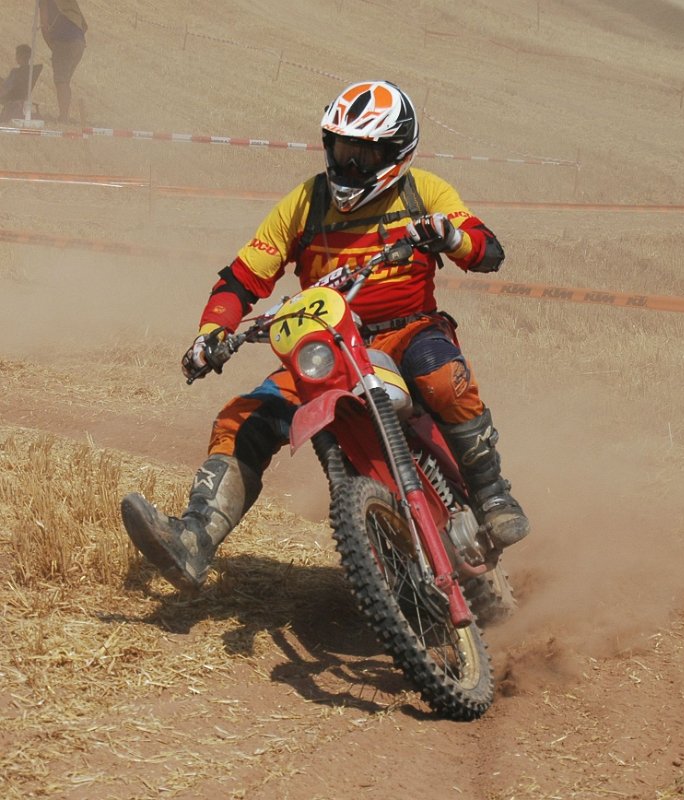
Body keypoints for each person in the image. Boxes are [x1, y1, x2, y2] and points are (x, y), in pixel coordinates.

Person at [121, 80, 531, 591]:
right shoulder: (306, 202)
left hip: (409, 332)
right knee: (240, 419)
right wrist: (210, 333)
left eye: (366, 153)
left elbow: (488, 251)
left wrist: (450, 236)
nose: (350, 164)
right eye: (342, 149)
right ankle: (193, 538)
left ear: (397, 151)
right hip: (327, 345)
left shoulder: (425, 191)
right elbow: (243, 277)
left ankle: (493, 496)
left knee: (443, 379)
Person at [39, 0, 87, 123]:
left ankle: (64, 117)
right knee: (65, 80)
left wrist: (53, 47)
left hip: (64, 40)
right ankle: (65, 114)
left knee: (61, 81)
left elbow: (44, 25)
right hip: (79, 41)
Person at [0, 44, 39, 123]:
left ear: (20, 56)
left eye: (17, 54)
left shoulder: (16, 72)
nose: (16, 57)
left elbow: (7, 86)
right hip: (17, 95)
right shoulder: (30, 71)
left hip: (8, 95)